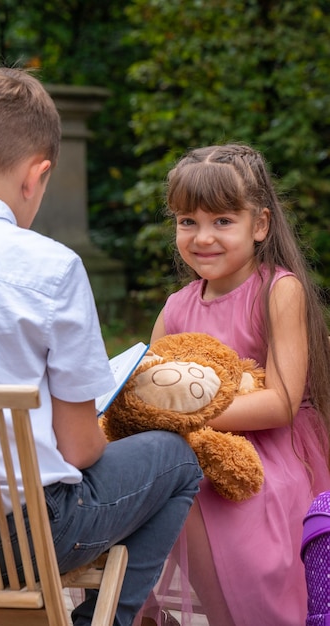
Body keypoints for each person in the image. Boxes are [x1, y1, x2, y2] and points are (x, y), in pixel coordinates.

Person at [0, 66, 202, 626]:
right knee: (177, 458)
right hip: (24, 543)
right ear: (37, 177)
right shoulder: (52, 269)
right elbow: (79, 451)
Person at [140, 143, 330, 626]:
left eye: (222, 221)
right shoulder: (177, 306)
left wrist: (187, 418)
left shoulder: (276, 289)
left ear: (260, 225)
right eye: (187, 222)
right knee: (171, 486)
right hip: (199, 450)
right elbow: (144, 386)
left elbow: (283, 401)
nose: (203, 237)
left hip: (275, 451)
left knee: (250, 548)